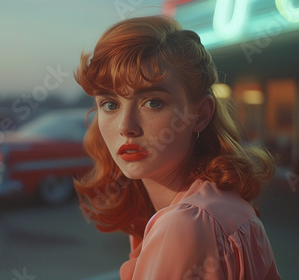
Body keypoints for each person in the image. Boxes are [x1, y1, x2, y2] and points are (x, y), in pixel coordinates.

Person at [74, 15, 281, 280]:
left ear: (201, 114)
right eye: (110, 104)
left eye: (153, 102)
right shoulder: (220, 207)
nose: (126, 127)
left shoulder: (187, 224)